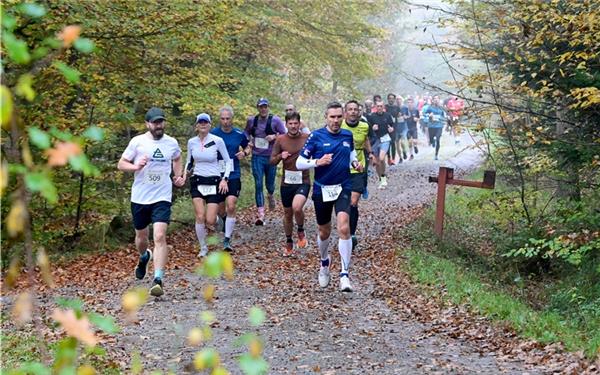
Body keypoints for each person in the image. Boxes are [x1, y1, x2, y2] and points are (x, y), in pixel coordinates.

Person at [118, 107, 185, 297]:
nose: (159, 125)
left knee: (160, 236)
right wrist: (135, 166)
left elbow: (178, 157)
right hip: (140, 197)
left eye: (161, 122)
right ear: (147, 124)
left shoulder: (171, 142)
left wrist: (178, 175)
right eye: (155, 122)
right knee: (141, 238)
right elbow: (121, 164)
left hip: (162, 196)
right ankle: (144, 256)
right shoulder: (137, 142)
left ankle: (158, 279)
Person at [296, 101, 362, 292]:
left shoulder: (347, 135)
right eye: (332, 117)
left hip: (343, 187)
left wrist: (356, 163)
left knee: (343, 227)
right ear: (326, 117)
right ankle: (324, 263)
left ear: (343, 117)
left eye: (339, 117)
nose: (336, 121)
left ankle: (344, 275)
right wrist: (317, 161)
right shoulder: (316, 136)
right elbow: (300, 163)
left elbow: (351, 155)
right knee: (324, 231)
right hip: (322, 188)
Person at [184, 113, 232, 257]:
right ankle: (203, 247)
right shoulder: (192, 142)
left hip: (213, 181)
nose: (203, 125)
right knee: (199, 216)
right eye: (200, 122)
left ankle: (219, 222)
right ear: (197, 125)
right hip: (198, 180)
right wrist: (184, 174)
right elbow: (188, 161)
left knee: (210, 220)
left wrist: (225, 179)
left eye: (206, 122)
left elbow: (228, 161)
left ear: (210, 125)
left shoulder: (217, 141)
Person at [270, 111, 310, 256]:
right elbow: (272, 161)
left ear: (300, 124)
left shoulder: (307, 138)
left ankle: (300, 230)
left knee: (297, 207)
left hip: (303, 181)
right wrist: (281, 156)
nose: (293, 126)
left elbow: (316, 153)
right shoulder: (280, 139)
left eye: (295, 123)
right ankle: (288, 242)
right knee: (287, 214)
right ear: (286, 125)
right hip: (287, 183)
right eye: (290, 124)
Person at [211, 106, 250, 252]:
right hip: (217, 174)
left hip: (233, 174)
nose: (225, 121)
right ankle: (224, 220)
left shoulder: (239, 134)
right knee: (220, 210)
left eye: (228, 118)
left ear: (231, 119)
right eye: (223, 119)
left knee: (231, 205)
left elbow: (248, 147)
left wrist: (244, 153)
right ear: (219, 119)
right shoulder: (213, 133)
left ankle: (227, 240)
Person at [245, 98, 287, 225]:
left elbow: (285, 134)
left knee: (270, 184)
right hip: (257, 156)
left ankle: (270, 194)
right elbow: (246, 132)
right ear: (257, 108)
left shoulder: (275, 120)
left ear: (268, 107)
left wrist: (274, 136)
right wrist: (249, 141)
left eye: (265, 107)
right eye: (261, 107)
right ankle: (261, 214)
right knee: (258, 183)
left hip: (271, 157)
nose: (263, 109)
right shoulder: (252, 120)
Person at [342, 100, 375, 250]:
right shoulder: (339, 125)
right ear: (345, 112)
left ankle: (351, 234)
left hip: (358, 168)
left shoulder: (364, 125)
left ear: (359, 112)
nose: (353, 112)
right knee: (343, 203)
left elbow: (366, 140)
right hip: (341, 169)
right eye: (350, 109)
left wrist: (371, 153)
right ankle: (343, 228)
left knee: (353, 202)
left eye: (356, 109)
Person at [368, 101, 395, 189]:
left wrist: (391, 129)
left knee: (382, 158)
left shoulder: (387, 115)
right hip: (375, 140)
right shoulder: (372, 116)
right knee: (377, 162)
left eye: (381, 106)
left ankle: (383, 178)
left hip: (385, 139)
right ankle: (382, 179)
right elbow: (368, 129)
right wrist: (372, 128)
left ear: (383, 107)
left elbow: (391, 126)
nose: (379, 108)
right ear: (375, 107)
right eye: (378, 106)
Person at [424, 95, 446, 160]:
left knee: (438, 139)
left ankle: (436, 154)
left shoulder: (441, 108)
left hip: (439, 126)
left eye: (437, 99)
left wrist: (444, 120)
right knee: (431, 139)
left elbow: (444, 116)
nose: (436, 100)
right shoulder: (430, 108)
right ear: (433, 100)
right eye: (435, 99)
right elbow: (424, 114)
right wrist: (429, 115)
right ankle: (432, 141)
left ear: (439, 100)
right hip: (431, 126)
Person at [385, 93, 401, 164]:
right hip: (386, 127)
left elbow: (399, 116)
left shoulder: (397, 107)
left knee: (393, 142)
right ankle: (388, 157)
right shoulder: (385, 107)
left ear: (394, 99)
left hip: (394, 127)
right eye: (389, 98)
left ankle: (393, 159)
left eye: (392, 98)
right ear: (387, 99)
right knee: (387, 142)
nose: (391, 100)